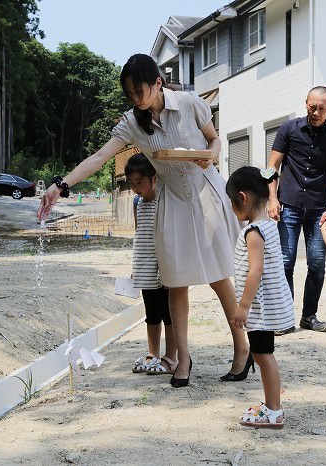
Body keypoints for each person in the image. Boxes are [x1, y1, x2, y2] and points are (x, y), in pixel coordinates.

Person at [37, 54, 249, 388]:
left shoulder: (190, 103)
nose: (136, 99)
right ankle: (182, 359)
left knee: (219, 276)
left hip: (206, 192)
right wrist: (59, 185)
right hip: (173, 201)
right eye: (130, 94)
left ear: (158, 83)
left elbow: (214, 137)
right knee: (175, 281)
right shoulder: (132, 123)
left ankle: (242, 348)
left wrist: (213, 155)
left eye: (141, 91)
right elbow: (99, 157)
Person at [266, 86, 326, 334]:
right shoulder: (288, 130)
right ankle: (284, 317)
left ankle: (309, 316)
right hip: (288, 205)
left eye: (322, 108)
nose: (316, 112)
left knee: (317, 264)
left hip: (318, 210)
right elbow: (271, 167)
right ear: (306, 104)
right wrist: (271, 198)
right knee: (285, 262)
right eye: (312, 106)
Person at [225, 166, 295, 429]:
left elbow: (256, 270)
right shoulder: (270, 225)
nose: (232, 208)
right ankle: (270, 404)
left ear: (242, 198)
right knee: (264, 353)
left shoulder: (253, 231)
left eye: (232, 202)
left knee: (263, 355)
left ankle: (274, 410)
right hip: (268, 305)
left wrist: (242, 306)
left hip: (260, 308)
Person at [126, 153, 177, 375]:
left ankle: (171, 356)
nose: (135, 188)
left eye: (140, 182)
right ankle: (153, 353)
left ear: (153, 178)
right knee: (152, 313)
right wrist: (135, 268)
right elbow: (140, 234)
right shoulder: (137, 202)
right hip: (145, 265)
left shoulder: (165, 200)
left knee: (169, 314)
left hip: (165, 266)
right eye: (132, 183)